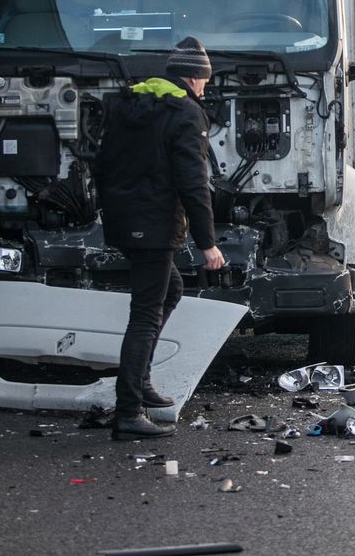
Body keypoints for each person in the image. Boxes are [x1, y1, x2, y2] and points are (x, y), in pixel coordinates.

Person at [96, 36, 227, 438]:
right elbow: (194, 183)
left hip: (123, 218)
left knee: (170, 288)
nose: (206, 87)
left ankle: (141, 384)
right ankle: (128, 412)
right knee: (146, 314)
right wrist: (208, 243)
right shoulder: (186, 114)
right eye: (204, 80)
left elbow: (99, 163)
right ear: (192, 78)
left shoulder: (129, 103)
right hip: (153, 223)